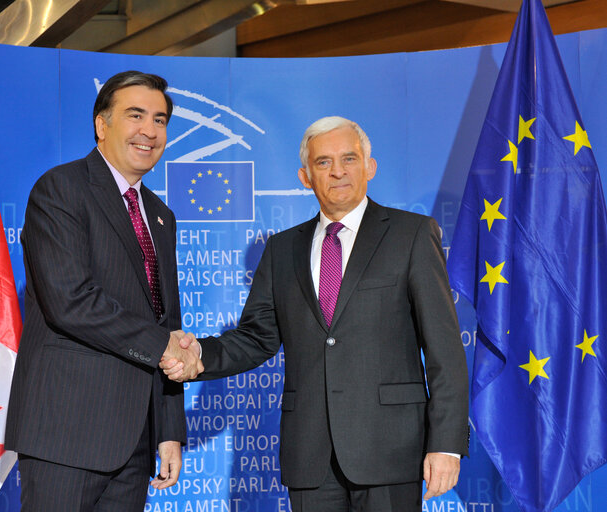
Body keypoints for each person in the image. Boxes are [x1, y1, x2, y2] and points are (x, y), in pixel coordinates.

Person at [162, 116, 469, 511]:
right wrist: (199, 356)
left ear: (370, 167)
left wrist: (445, 444)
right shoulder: (282, 250)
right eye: (323, 162)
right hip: (310, 457)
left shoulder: (411, 235)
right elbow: (256, 338)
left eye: (349, 159)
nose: (337, 171)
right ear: (305, 176)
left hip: (391, 451)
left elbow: (445, 348)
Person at [5, 70, 202, 512]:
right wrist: (166, 346)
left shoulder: (160, 215)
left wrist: (169, 429)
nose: (149, 130)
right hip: (66, 433)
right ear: (102, 124)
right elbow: (70, 302)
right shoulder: (60, 189)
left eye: (160, 119)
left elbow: (166, 321)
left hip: (133, 440)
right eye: (136, 115)